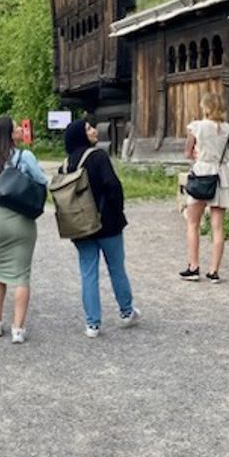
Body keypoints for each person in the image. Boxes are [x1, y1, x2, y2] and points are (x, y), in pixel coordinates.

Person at [62, 119, 140, 338]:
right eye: (88, 128)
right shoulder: (98, 157)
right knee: (116, 268)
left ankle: (92, 323)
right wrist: (118, 212)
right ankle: (126, 312)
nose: (94, 130)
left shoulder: (67, 163)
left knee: (88, 273)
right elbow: (113, 187)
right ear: (81, 135)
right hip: (107, 224)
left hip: (80, 226)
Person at [0, 115, 48, 344]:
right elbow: (41, 180)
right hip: (21, 219)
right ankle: (17, 328)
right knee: (22, 274)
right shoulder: (25, 156)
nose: (21, 129)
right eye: (16, 128)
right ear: (10, 135)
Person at [180, 92, 229, 283]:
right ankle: (214, 271)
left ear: (205, 107)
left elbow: (187, 152)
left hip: (202, 172)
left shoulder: (197, 127)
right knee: (218, 227)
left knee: (193, 223)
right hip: (221, 175)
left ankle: (194, 266)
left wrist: (197, 152)